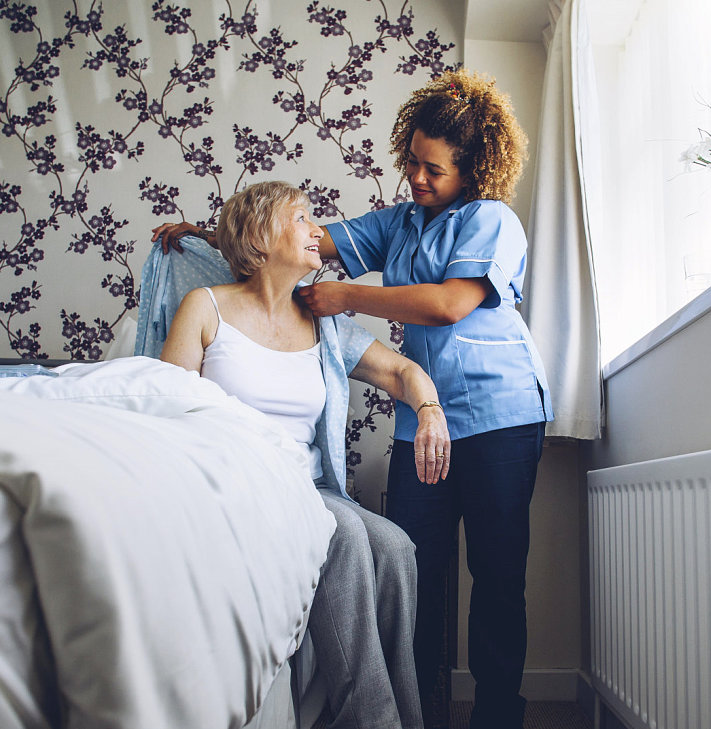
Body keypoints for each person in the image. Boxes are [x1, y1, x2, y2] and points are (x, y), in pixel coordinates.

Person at [154, 69, 553, 729]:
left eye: (433, 170)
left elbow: (449, 303)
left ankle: (495, 716)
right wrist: (205, 233)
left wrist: (348, 297)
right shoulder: (397, 224)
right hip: (418, 421)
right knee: (409, 563)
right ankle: (413, 709)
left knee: (495, 571)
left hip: (499, 414)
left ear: (472, 169)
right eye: (411, 163)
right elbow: (289, 240)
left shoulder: (490, 220)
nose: (417, 179)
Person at [158, 180, 451, 729]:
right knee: (342, 531)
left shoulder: (324, 322)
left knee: (396, 549)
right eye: (301, 219)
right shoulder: (206, 307)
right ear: (260, 237)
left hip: (307, 487)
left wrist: (430, 408)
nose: (318, 232)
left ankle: (408, 719)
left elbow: (400, 371)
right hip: (238, 484)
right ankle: (372, 720)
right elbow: (169, 409)